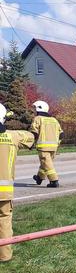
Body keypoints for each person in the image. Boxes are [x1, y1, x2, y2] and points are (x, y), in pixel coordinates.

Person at [0, 103, 35, 262]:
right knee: (4, 220)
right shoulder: (14, 136)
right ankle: (4, 255)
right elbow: (31, 137)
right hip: (4, 191)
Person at [31, 100, 63, 188]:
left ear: (38, 108)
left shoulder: (38, 119)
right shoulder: (54, 120)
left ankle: (54, 181)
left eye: (34, 108)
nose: (33, 111)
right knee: (46, 163)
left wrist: (30, 143)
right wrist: (57, 143)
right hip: (54, 147)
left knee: (46, 163)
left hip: (43, 147)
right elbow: (61, 134)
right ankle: (39, 177)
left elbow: (34, 132)